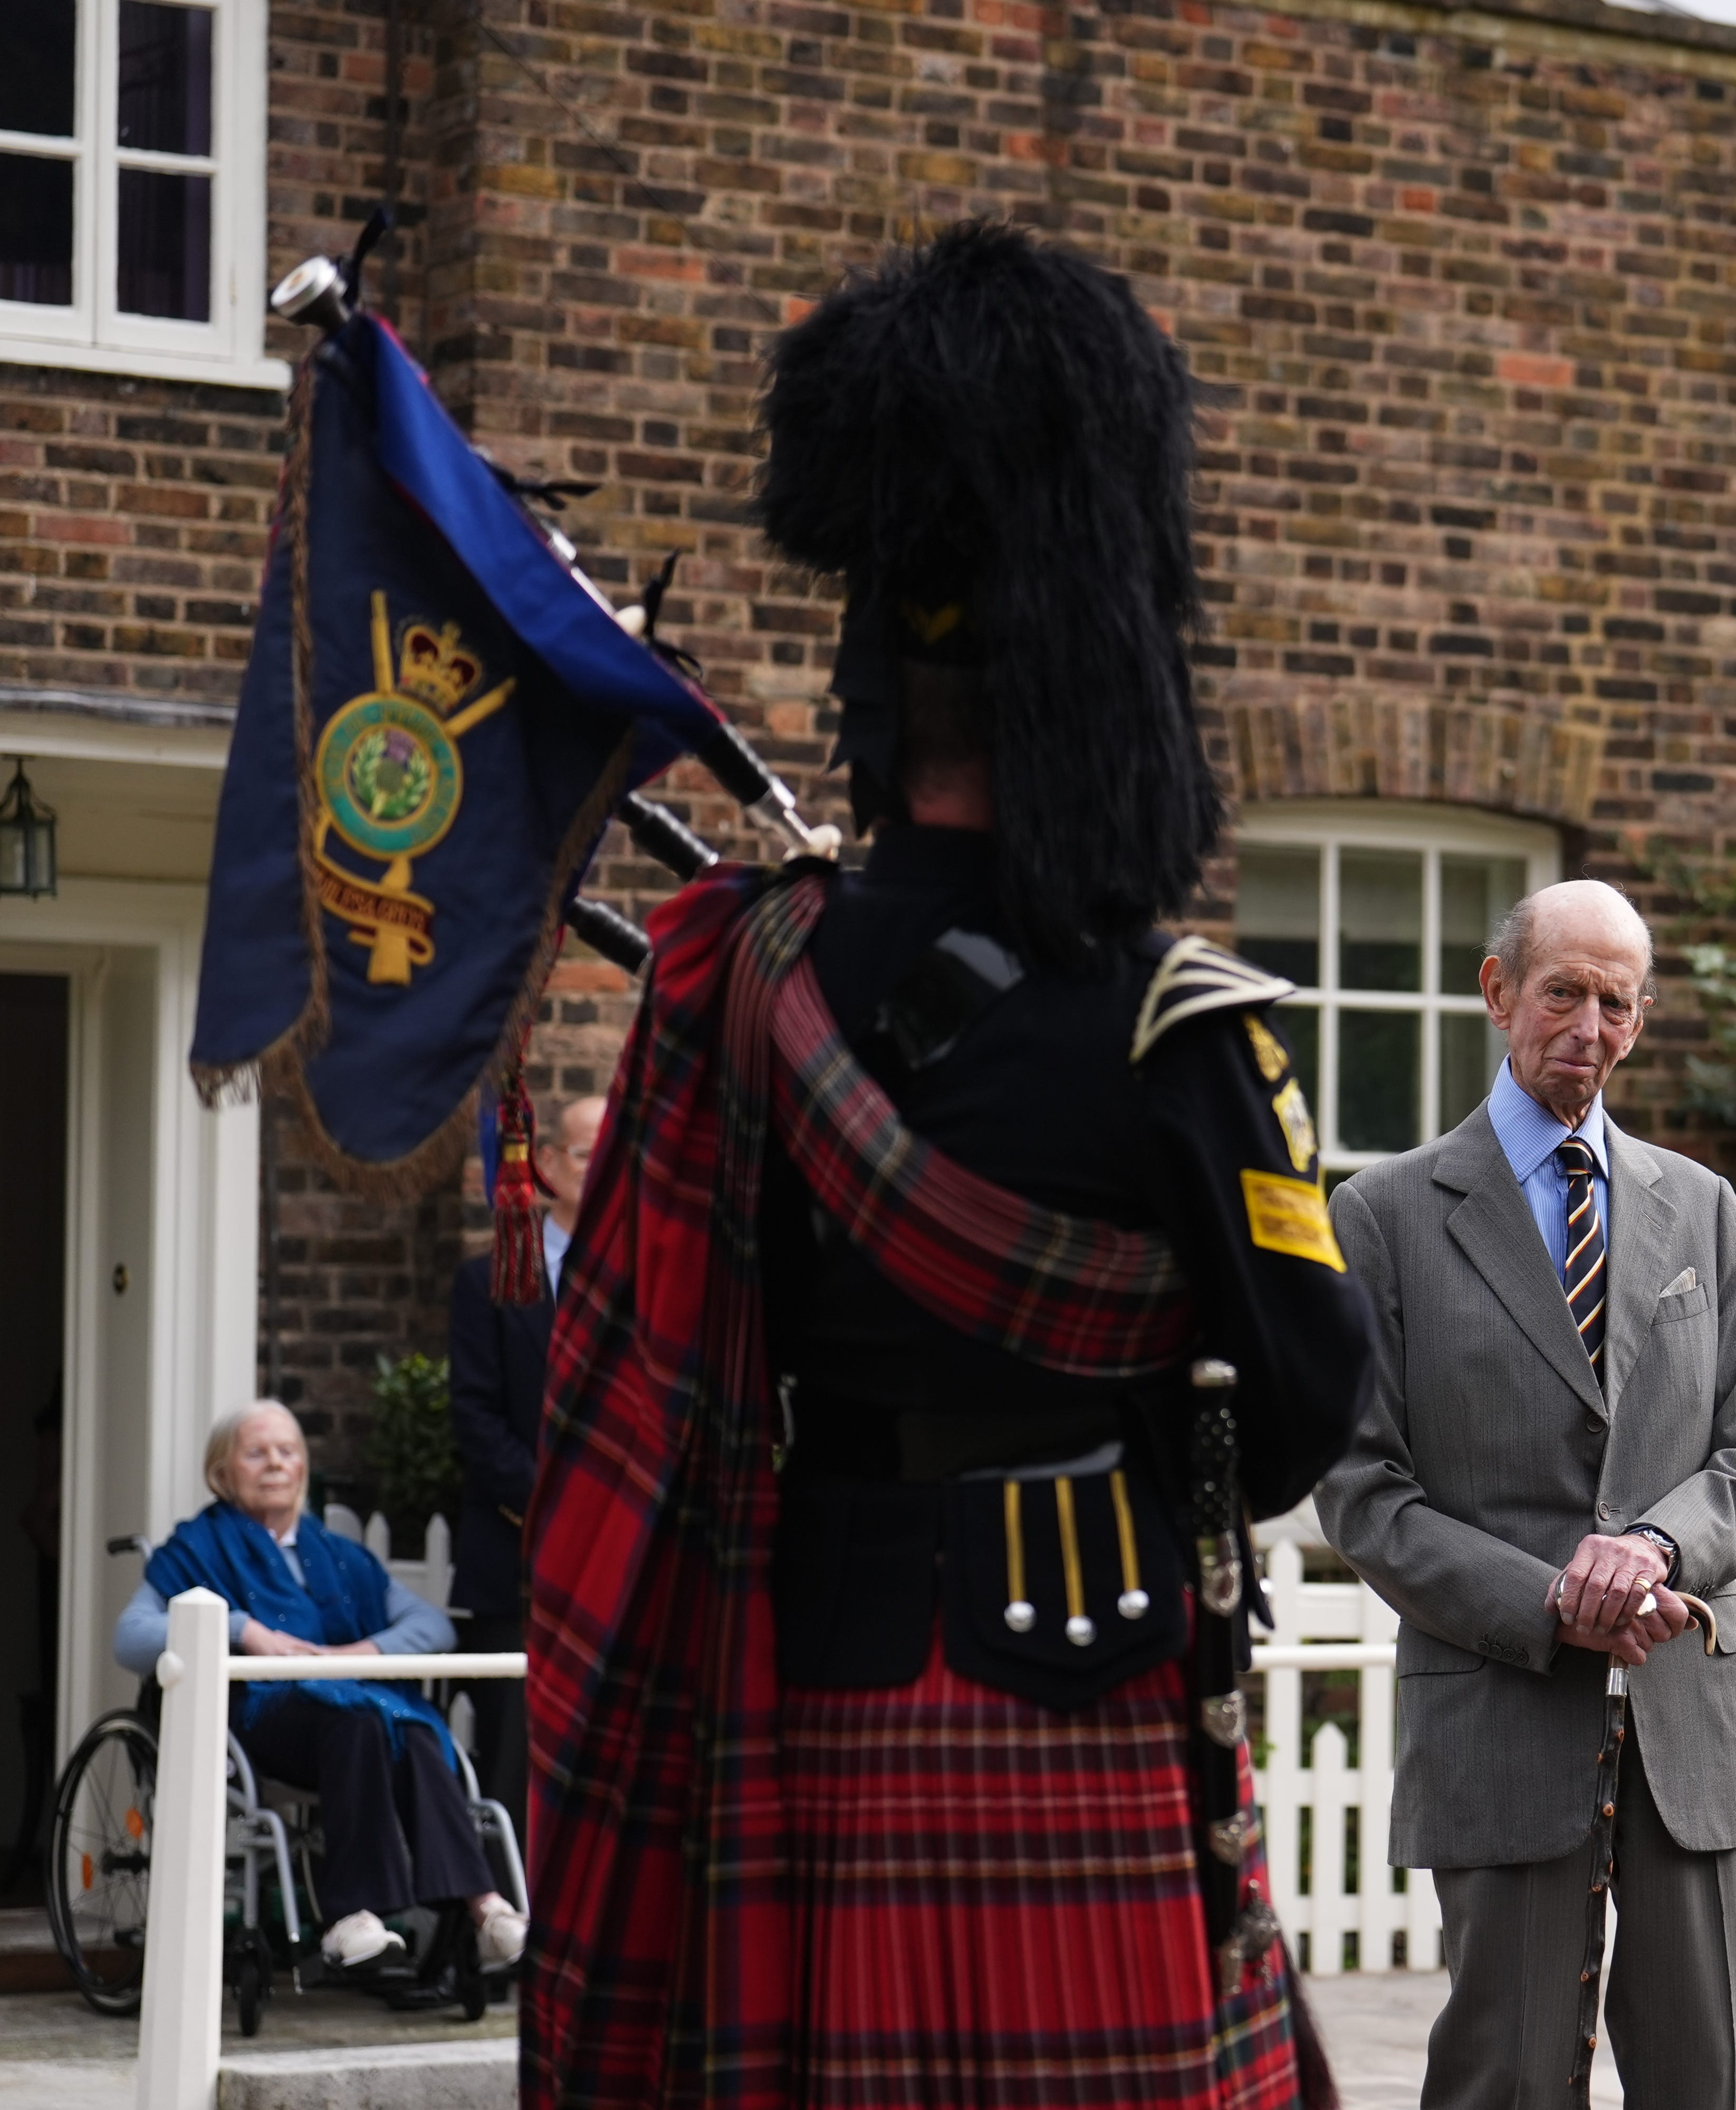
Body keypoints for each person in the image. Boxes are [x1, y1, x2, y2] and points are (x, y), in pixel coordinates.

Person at [523, 222, 1373, 2110]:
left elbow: (661, 1363)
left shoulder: (738, 970)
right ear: (1109, 681)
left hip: (807, 1682)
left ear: (869, 690)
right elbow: (1308, 1398)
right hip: (1075, 1670)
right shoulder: (1182, 1025)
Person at [1317, 879, 1736, 2110]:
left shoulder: (1704, 1209)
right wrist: (1554, 1601)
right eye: (1564, 991)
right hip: (1500, 1716)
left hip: (1685, 1715)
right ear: (1497, 993)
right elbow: (1364, 1493)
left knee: (1698, 2082)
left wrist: (1648, 1548)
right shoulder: (1381, 1216)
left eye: (1617, 1001)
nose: (1590, 1025)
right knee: (1506, 2080)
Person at [115, 1401, 527, 1971]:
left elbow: (431, 1625)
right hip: (261, 1716)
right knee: (357, 1719)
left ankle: (483, 1904)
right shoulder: (197, 1548)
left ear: (304, 1468)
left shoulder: (338, 1554)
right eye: (256, 1453)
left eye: (288, 1452)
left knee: (415, 1729)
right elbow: (130, 1637)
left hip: (354, 1707)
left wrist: (359, 1653)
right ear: (223, 1472)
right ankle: (350, 1914)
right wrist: (244, 1629)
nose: (276, 1464)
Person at [447, 1093, 601, 1822]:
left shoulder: (643, 1283)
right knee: (514, 1751)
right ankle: (508, 1917)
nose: (602, 1167)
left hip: (615, 1556)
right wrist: (559, 1502)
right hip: (515, 1559)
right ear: (545, 1164)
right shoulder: (489, 1280)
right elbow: (475, 1422)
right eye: (584, 1151)